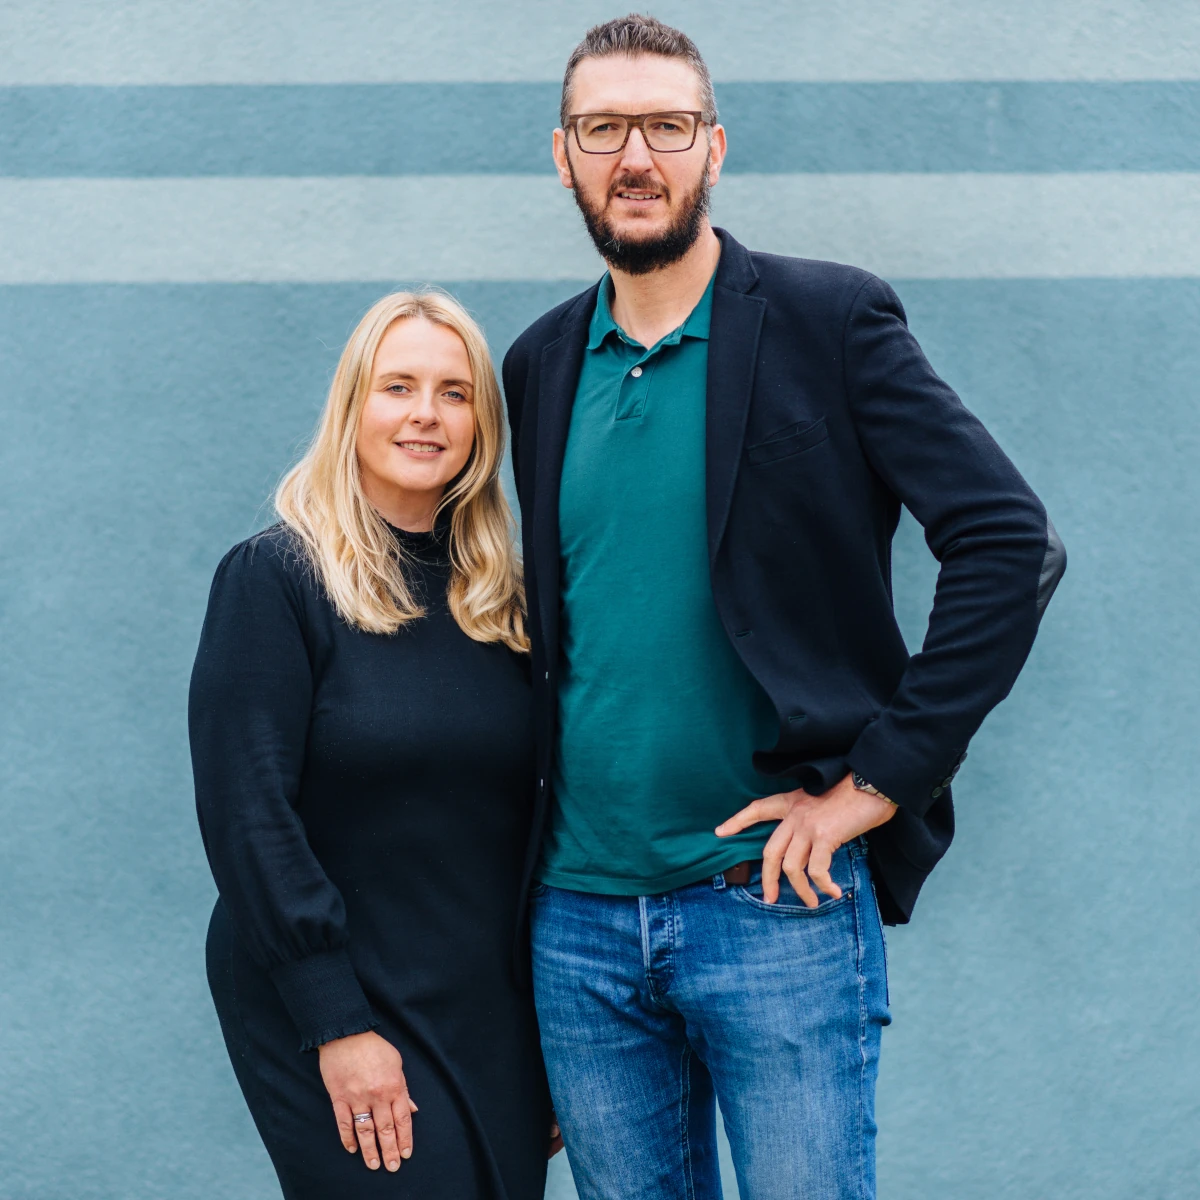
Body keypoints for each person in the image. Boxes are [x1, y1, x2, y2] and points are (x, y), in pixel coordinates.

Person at [501, 15, 1066, 1200]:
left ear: (716, 147)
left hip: (773, 906)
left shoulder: (830, 322)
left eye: (666, 125)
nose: (636, 157)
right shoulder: (541, 363)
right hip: (580, 921)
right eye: (604, 128)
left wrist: (874, 784)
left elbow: (1008, 543)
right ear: (562, 156)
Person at [190, 291, 555, 1199]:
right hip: (333, 989)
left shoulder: (506, 602)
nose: (426, 414)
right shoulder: (277, 579)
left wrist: (553, 1028)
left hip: (487, 1000)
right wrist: (335, 1022)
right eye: (398, 387)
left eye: (454, 392)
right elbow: (247, 810)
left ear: (483, 424)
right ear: (353, 407)